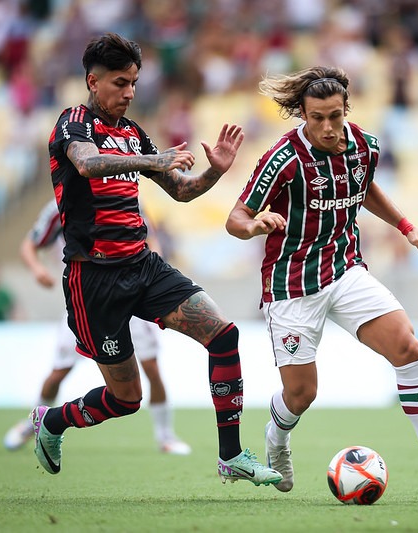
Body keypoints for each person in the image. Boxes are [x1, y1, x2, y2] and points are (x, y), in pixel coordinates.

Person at [32, 32, 281, 487]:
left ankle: (231, 457)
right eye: (119, 83)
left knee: (223, 336)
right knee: (126, 399)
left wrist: (214, 172)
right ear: (93, 80)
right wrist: (154, 159)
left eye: (134, 83)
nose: (129, 92)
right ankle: (52, 422)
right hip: (94, 280)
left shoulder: (133, 134)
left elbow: (182, 191)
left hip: (143, 266)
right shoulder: (73, 124)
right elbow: (87, 164)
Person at [225, 66, 418, 495]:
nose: (327, 127)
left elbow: (365, 186)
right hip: (292, 283)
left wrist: (406, 227)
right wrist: (254, 225)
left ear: (345, 110)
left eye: (335, 116)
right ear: (302, 113)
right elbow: (235, 218)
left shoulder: (363, 146)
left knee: (407, 347)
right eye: (317, 117)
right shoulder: (282, 158)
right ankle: (276, 437)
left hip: (344, 268)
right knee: (301, 394)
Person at [3, 198, 191, 455]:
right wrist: (37, 269)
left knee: (152, 368)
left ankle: (165, 436)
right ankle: (33, 424)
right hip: (85, 300)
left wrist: (153, 270)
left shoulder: (126, 193)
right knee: (59, 371)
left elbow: (151, 236)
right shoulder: (60, 204)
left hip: (132, 295)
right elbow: (30, 243)